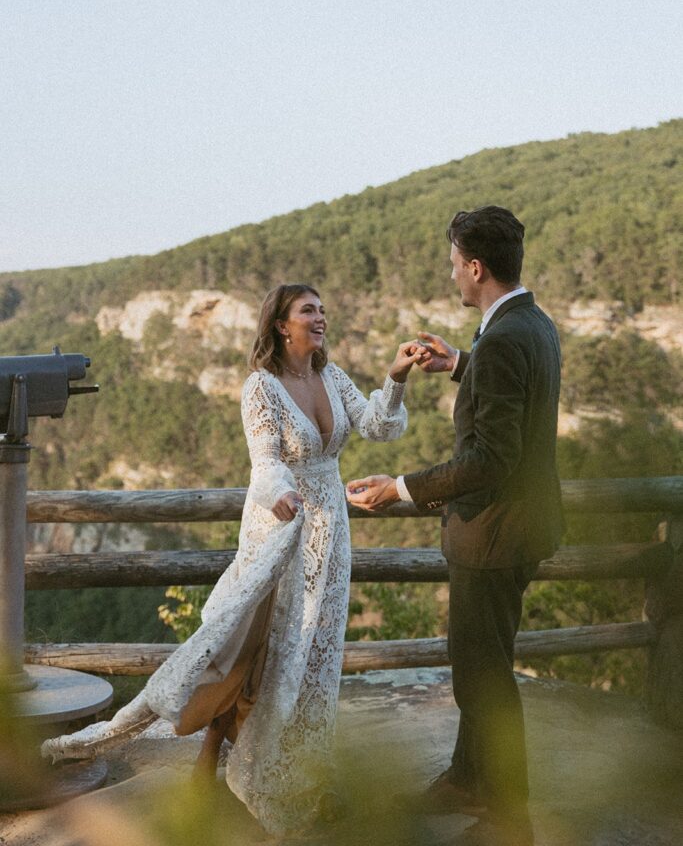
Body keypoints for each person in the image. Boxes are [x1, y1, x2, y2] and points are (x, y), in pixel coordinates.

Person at [43, 282, 425, 837]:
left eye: (322, 309)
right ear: (281, 324)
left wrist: (396, 375)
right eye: (308, 311)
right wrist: (280, 495)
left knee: (310, 647)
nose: (320, 318)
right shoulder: (261, 387)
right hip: (278, 526)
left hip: (329, 536)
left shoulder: (331, 374)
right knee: (247, 642)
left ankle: (295, 769)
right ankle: (241, 767)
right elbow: (264, 460)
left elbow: (378, 427)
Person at [347, 207, 563, 846]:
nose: (451, 277)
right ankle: (468, 780)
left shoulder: (504, 339)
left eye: (453, 264)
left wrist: (401, 489)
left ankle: (508, 817)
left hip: (494, 535)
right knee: (482, 662)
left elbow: (489, 460)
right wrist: (461, 363)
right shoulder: (533, 324)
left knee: (484, 679)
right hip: (523, 528)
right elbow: (514, 394)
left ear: (476, 267)